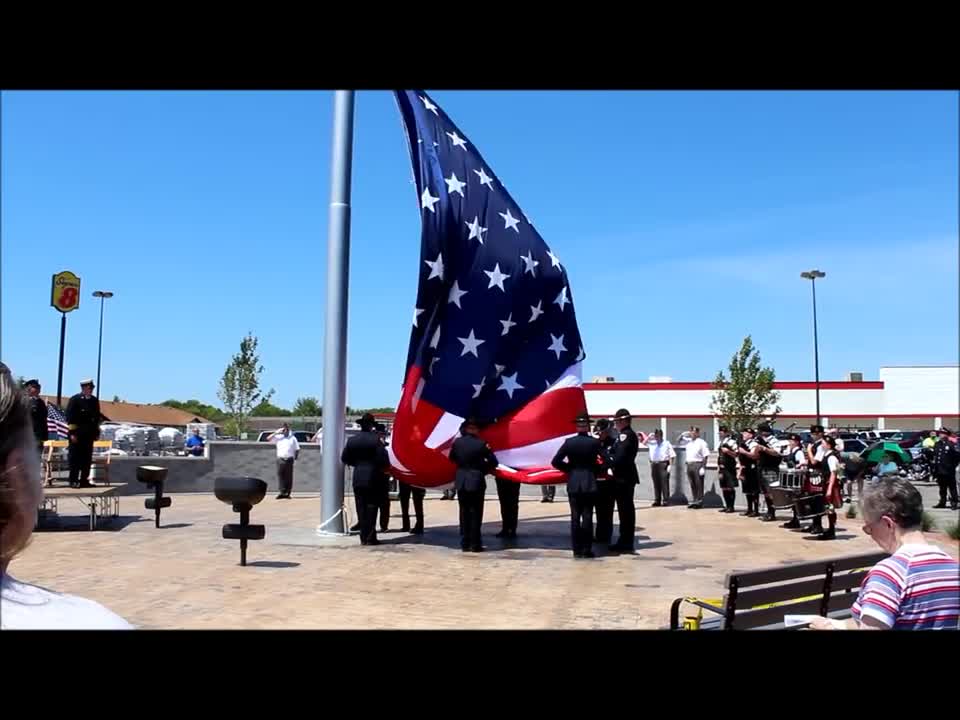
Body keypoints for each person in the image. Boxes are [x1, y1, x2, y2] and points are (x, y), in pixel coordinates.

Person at [0, 362, 132, 629]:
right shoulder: (87, 622)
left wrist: (91, 432)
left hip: (86, 436)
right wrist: (70, 432)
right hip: (75, 436)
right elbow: (68, 417)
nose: (88, 389)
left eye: (90, 387)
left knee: (84, 462)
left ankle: (82, 480)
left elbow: (94, 419)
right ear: (17, 473)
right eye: (86, 386)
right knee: (75, 461)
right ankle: (74, 480)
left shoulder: (92, 402)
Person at [810, 476, 959, 630]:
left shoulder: (889, 574)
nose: (871, 535)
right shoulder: (951, 567)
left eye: (869, 528)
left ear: (888, 524)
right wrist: (835, 625)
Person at [552, 412, 605, 558]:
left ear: (577, 426)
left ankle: (576, 549)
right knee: (587, 516)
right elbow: (607, 461)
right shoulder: (594, 443)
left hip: (574, 482)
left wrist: (571, 470)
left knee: (575, 517)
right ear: (587, 426)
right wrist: (596, 471)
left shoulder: (569, 442)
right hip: (589, 482)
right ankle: (587, 549)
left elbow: (555, 461)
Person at [449, 418, 498, 553]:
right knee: (476, 513)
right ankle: (475, 544)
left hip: (461, 480)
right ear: (475, 429)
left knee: (464, 512)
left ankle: (465, 542)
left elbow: (451, 458)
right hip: (476, 480)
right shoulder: (482, 444)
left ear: (465, 429)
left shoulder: (457, 443)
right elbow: (494, 462)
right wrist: (482, 469)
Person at [341, 413, 390, 545]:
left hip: (358, 477)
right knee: (372, 507)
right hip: (374, 477)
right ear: (371, 425)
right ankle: (370, 537)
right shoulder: (376, 440)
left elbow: (344, 458)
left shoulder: (352, 440)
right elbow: (384, 460)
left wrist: (357, 464)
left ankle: (363, 537)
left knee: (360, 507)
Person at [608, 408, 639, 553]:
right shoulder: (623, 435)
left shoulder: (626, 436)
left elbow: (619, 457)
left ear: (623, 421)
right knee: (623, 510)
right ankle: (624, 540)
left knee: (625, 511)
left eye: (617, 421)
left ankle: (626, 542)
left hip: (624, 477)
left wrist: (608, 461)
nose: (615, 424)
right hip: (623, 476)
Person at [65, 378, 101, 488]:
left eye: (92, 388)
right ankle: (73, 480)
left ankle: (84, 480)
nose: (91, 390)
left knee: (86, 459)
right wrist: (72, 433)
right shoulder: (75, 400)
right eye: (89, 388)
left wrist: (96, 433)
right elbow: (70, 418)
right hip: (77, 435)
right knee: (75, 458)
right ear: (83, 388)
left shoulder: (94, 401)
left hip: (88, 435)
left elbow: (96, 418)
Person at [813, 436, 843, 540]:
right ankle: (830, 530)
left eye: (823, 443)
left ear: (828, 445)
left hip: (830, 484)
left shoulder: (831, 457)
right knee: (828, 508)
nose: (821, 445)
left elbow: (833, 473)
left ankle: (831, 531)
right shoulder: (826, 455)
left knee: (830, 508)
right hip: (826, 483)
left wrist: (829, 488)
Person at [593, 418, 617, 541]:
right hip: (596, 481)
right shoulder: (594, 443)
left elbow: (612, 460)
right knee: (598, 510)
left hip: (609, 481)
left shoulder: (613, 443)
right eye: (599, 432)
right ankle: (599, 535)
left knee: (607, 510)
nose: (600, 434)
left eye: (602, 432)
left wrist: (603, 466)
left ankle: (606, 535)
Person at [756, 423, 783, 522]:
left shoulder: (774, 441)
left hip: (771, 468)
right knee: (765, 492)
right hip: (762, 467)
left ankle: (772, 513)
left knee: (771, 491)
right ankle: (769, 511)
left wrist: (764, 448)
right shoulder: (760, 440)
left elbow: (777, 452)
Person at [781, 433, 808, 529]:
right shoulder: (790, 451)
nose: (790, 443)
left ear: (796, 442)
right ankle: (794, 518)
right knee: (792, 499)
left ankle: (797, 519)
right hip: (790, 478)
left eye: (792, 441)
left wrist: (797, 466)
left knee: (796, 499)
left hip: (796, 478)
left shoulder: (799, 452)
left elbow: (802, 464)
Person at [931, 427, 960, 510]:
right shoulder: (937, 444)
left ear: (946, 435)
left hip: (949, 470)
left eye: (942, 433)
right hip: (940, 470)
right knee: (942, 488)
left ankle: (954, 503)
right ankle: (942, 502)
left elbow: (957, 456)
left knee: (952, 487)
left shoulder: (951, 444)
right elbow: (936, 456)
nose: (940, 434)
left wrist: (952, 466)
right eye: (939, 433)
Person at [269, 423, 300, 500]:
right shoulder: (278, 437)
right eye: (283, 429)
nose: (285, 431)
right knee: (281, 476)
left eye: (286, 429)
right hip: (280, 459)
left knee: (289, 477)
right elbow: (268, 438)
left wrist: (295, 459)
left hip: (289, 459)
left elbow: (297, 449)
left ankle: (288, 493)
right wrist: (276, 432)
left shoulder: (292, 438)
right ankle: (282, 492)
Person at [737, 428, 762, 517]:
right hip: (745, 468)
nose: (743, 435)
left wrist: (744, 452)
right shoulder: (743, 444)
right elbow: (741, 460)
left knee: (754, 490)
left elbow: (754, 456)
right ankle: (749, 508)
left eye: (745, 433)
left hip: (752, 469)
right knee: (747, 490)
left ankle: (756, 510)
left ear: (751, 435)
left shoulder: (753, 444)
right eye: (743, 433)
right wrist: (740, 471)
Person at [684, 426, 710, 509]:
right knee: (692, 484)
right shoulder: (689, 443)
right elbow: (678, 441)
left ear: (698, 433)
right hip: (689, 464)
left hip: (698, 464)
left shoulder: (702, 442)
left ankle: (699, 501)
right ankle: (694, 500)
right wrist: (682, 435)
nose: (692, 433)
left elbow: (705, 456)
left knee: (699, 484)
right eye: (691, 432)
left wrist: (703, 467)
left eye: (694, 432)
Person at [647, 428, 673, 507]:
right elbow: (642, 442)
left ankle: (665, 500)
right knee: (656, 483)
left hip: (663, 464)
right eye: (655, 435)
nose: (656, 437)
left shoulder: (666, 443)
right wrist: (648, 437)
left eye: (658, 435)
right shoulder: (652, 444)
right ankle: (657, 500)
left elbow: (671, 455)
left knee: (664, 483)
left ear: (661, 436)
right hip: (654, 464)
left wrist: (670, 465)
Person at [716, 425, 740, 513]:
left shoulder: (732, 442)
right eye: (720, 433)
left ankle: (731, 506)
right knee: (724, 487)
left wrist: (728, 451)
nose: (720, 434)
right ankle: (727, 505)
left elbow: (736, 454)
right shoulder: (720, 442)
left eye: (722, 432)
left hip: (729, 467)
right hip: (722, 467)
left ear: (726, 433)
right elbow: (719, 456)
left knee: (730, 487)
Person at [375, 423, 392, 532]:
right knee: (373, 504)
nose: (382, 436)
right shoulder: (373, 446)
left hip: (384, 478)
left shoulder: (388, 446)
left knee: (385, 504)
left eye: (383, 434)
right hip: (374, 477)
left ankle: (384, 525)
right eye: (379, 434)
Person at [24, 379, 47, 455]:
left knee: (36, 456)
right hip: (26, 434)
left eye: (38, 388)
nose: (37, 390)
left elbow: (43, 420)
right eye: (35, 387)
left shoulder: (41, 403)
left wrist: (44, 436)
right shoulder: (24, 401)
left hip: (38, 435)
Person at [494, 473, 520, 540]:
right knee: (504, 504)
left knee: (512, 504)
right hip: (502, 477)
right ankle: (505, 528)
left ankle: (512, 528)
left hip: (513, 477)